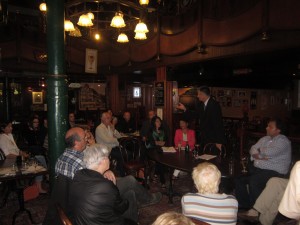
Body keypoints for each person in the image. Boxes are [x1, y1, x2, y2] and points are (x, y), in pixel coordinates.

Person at [55, 127, 162, 210]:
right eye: (85, 138)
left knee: (130, 193)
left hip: (75, 197)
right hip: (92, 196)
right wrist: (106, 171)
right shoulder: (81, 161)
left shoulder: (60, 158)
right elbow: (97, 177)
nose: (87, 140)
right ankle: (148, 199)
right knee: (130, 180)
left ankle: (132, 210)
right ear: (76, 142)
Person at [70, 144, 137, 224]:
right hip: (100, 222)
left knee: (130, 193)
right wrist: (126, 201)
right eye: (108, 157)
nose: (109, 159)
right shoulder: (106, 186)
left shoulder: (79, 174)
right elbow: (120, 208)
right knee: (129, 198)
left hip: (83, 219)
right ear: (103, 161)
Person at [235, 118, 291, 209]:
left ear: (278, 130)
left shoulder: (283, 141)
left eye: (270, 127)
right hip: (258, 169)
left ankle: (257, 209)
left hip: (275, 173)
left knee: (254, 181)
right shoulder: (265, 138)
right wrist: (261, 156)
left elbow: (271, 152)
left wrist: (259, 151)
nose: (266, 128)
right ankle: (245, 205)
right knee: (239, 178)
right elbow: (252, 149)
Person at [0, 121, 47, 193]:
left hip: (18, 158)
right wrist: (21, 156)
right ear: (3, 128)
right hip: (13, 162)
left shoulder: (10, 135)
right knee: (40, 158)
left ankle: (37, 183)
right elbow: (7, 155)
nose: (11, 128)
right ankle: (39, 184)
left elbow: (16, 149)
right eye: (9, 127)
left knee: (40, 157)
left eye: (11, 126)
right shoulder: (2, 138)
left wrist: (22, 153)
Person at [177, 86, 225, 151]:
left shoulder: (214, 105)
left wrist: (219, 141)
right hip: (204, 137)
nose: (197, 96)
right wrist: (185, 109)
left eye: (199, 94)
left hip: (213, 138)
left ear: (203, 94)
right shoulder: (201, 105)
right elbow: (194, 115)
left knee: (213, 159)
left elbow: (218, 124)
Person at [95, 112, 124, 176]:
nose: (110, 120)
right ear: (102, 119)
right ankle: (122, 173)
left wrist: (113, 129)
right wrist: (117, 141)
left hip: (113, 147)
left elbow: (119, 136)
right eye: (107, 118)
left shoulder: (109, 127)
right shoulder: (99, 128)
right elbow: (107, 140)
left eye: (110, 118)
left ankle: (120, 170)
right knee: (121, 155)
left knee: (126, 153)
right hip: (105, 150)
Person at [146, 116, 168, 188]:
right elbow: (152, 143)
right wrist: (158, 143)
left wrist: (157, 142)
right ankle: (162, 181)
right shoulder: (150, 131)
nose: (159, 123)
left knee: (162, 157)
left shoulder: (163, 131)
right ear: (153, 123)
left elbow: (165, 142)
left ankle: (155, 173)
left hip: (160, 149)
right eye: (157, 121)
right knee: (160, 159)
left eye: (159, 121)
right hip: (151, 150)